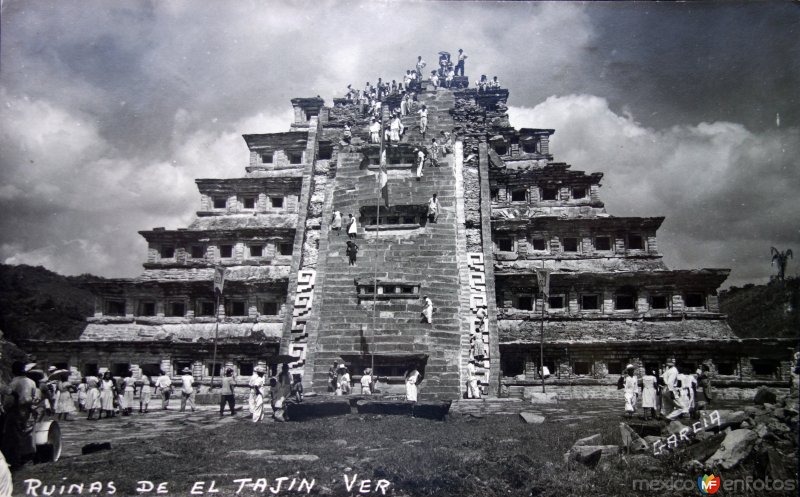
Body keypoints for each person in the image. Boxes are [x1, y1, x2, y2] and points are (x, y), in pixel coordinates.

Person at [1, 362, 39, 468]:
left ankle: (15, 460)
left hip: (15, 410)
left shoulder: (14, 383)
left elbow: (8, 401)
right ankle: (27, 456)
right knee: (26, 433)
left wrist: (5, 409)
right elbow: (35, 397)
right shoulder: (32, 382)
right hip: (27, 410)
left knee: (13, 436)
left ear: (14, 371)